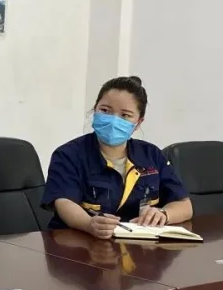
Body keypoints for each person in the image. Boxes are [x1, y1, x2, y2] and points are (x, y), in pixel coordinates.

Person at [42, 76, 192, 239]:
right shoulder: (68, 154)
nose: (113, 120)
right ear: (95, 110)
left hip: (137, 246)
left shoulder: (152, 155)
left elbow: (184, 205)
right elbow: (63, 202)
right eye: (105, 110)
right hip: (78, 244)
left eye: (125, 115)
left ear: (138, 123)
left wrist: (163, 214)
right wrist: (89, 224)